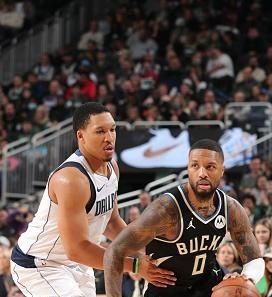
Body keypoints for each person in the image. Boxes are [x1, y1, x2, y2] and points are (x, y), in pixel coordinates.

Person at [10, 103, 171, 296]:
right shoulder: (71, 179)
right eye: (100, 131)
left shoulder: (112, 167)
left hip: (78, 262)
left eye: (112, 130)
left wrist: (153, 249)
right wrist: (135, 265)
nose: (109, 137)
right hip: (41, 263)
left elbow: (111, 224)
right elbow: (77, 249)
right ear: (81, 136)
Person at [104, 139, 265, 297]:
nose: (202, 173)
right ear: (188, 168)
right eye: (195, 166)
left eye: (210, 167)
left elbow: (254, 259)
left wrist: (246, 278)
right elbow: (114, 252)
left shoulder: (231, 209)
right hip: (166, 290)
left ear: (222, 170)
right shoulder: (165, 210)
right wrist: (137, 265)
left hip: (209, 286)